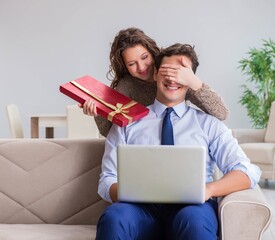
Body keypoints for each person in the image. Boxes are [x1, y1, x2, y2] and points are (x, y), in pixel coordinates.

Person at [96, 43, 261, 240]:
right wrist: (128, 192)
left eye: (181, 73)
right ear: (155, 74)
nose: (173, 79)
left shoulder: (208, 124)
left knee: (195, 222)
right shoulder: (127, 124)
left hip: (191, 208)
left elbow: (246, 171)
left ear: (190, 80)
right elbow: (107, 178)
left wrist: (207, 190)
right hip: (139, 209)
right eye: (167, 71)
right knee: (114, 217)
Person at [81, 27, 229, 137]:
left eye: (145, 57)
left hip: (180, 137)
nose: (142, 67)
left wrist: (192, 80)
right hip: (144, 143)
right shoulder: (127, 87)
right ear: (125, 66)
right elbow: (110, 133)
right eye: (132, 63)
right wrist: (97, 112)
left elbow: (221, 113)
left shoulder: (172, 76)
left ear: (152, 51)